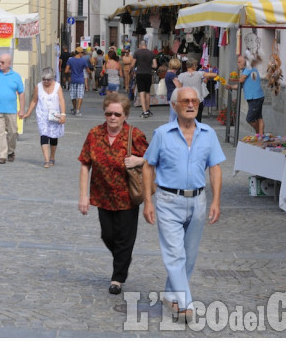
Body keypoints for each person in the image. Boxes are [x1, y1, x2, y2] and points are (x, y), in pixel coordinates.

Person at [142, 87, 225, 321]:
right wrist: (148, 201)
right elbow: (148, 166)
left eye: (195, 101)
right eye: (185, 101)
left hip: (198, 200)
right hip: (168, 200)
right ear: (174, 105)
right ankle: (185, 303)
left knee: (189, 255)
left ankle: (171, 295)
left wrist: (216, 200)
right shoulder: (162, 134)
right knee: (175, 254)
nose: (191, 105)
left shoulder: (208, 134)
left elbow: (215, 168)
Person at [78, 92, 149, 296]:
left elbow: (154, 158)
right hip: (102, 196)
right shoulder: (94, 134)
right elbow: (85, 165)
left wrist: (139, 160)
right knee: (107, 235)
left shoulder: (134, 135)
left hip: (127, 196)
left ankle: (117, 278)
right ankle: (123, 258)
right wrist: (84, 196)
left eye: (117, 114)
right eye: (109, 113)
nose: (112, 117)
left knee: (124, 239)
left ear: (125, 115)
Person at [22, 67, 66, 168]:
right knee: (44, 135)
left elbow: (61, 100)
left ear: (52, 78)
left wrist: (63, 114)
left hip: (55, 114)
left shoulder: (57, 86)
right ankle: (46, 160)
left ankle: (52, 157)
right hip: (42, 115)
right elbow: (34, 100)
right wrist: (28, 113)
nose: (46, 81)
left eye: (48, 80)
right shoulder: (38, 86)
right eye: (44, 79)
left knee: (53, 137)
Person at [226, 53, 265, 135]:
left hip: (255, 97)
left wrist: (234, 79)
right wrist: (231, 86)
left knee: (249, 119)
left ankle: (259, 133)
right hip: (254, 97)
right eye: (237, 62)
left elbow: (241, 80)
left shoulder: (248, 67)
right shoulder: (246, 70)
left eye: (240, 62)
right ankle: (261, 135)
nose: (238, 64)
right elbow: (240, 85)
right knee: (259, 117)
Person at [176, 58, 217, 123]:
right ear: (193, 66)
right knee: (198, 120)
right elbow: (214, 75)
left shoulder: (181, 76)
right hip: (197, 100)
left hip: (186, 101)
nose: (197, 67)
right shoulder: (199, 74)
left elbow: (179, 89)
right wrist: (207, 76)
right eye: (196, 65)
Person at [133, 40, 158, 118]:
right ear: (146, 45)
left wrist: (137, 66)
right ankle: (148, 109)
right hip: (148, 74)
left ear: (140, 45)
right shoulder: (151, 53)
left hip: (140, 74)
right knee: (147, 92)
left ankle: (144, 112)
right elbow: (155, 66)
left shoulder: (137, 53)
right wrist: (148, 65)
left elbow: (132, 64)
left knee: (141, 93)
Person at [65, 46, 91, 117]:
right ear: (79, 53)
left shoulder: (70, 60)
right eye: (82, 52)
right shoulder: (83, 61)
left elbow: (66, 70)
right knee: (80, 95)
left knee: (73, 95)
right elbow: (88, 70)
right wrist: (90, 73)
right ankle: (78, 111)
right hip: (80, 80)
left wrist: (72, 71)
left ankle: (74, 108)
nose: (82, 54)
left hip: (73, 79)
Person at [165, 58, 182, 122]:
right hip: (174, 96)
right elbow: (178, 86)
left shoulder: (168, 74)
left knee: (173, 114)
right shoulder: (172, 75)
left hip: (170, 95)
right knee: (174, 115)